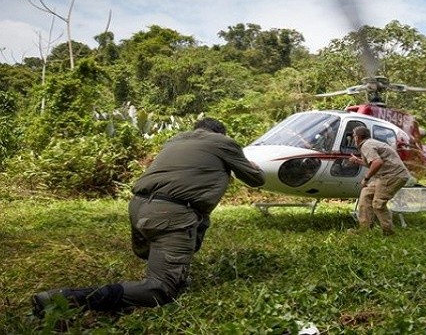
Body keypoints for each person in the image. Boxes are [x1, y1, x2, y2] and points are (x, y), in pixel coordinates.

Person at [32, 117, 265, 316]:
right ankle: (63, 299)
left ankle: (174, 269)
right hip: (170, 214)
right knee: (160, 290)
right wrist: (253, 164)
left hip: (139, 207)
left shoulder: (175, 140)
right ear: (220, 133)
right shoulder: (222, 142)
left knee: (197, 225)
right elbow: (256, 179)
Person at [348, 126, 410, 235]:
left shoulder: (366, 145)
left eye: (353, 136)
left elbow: (377, 163)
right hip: (385, 176)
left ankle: (388, 232)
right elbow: (372, 162)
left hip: (393, 176)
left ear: (357, 137)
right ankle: (365, 229)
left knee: (378, 203)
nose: (353, 139)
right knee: (366, 194)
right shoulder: (370, 143)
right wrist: (358, 161)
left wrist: (366, 178)